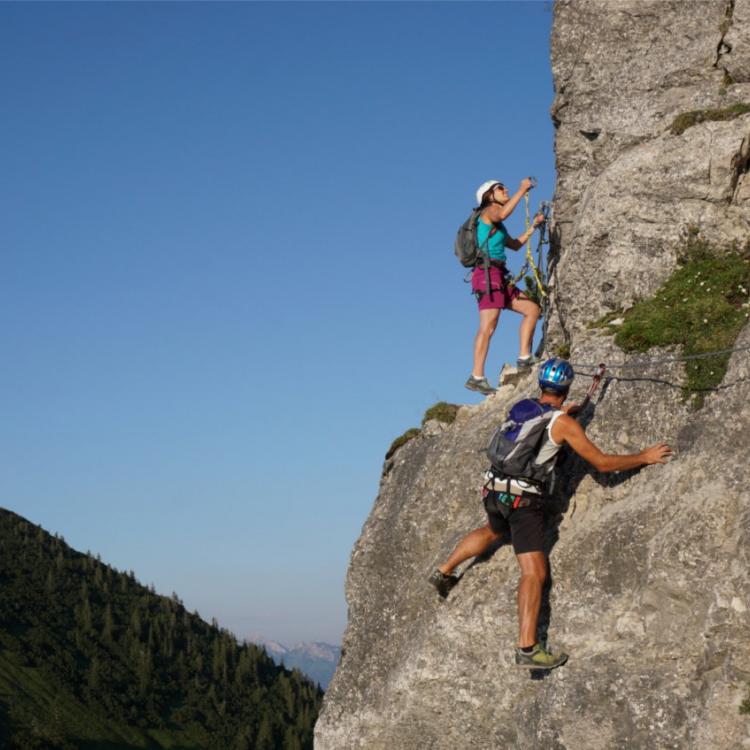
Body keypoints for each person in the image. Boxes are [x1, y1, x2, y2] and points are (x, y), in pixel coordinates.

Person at [430, 358, 673, 669]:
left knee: (493, 531)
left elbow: (540, 431)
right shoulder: (564, 424)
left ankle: (445, 570)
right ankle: (527, 648)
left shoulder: (525, 407)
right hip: (523, 502)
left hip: (493, 489)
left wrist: (563, 415)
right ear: (566, 388)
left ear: (542, 386)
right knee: (534, 572)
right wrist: (644, 457)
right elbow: (601, 464)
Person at [465, 179, 545, 397]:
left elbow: (515, 245)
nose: (505, 189)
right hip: (487, 275)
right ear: (489, 196)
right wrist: (522, 190)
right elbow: (502, 214)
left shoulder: (497, 225)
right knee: (489, 326)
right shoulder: (489, 211)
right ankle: (477, 376)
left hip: (499, 275)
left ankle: (524, 357)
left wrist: (534, 227)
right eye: (500, 188)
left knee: (532, 310)